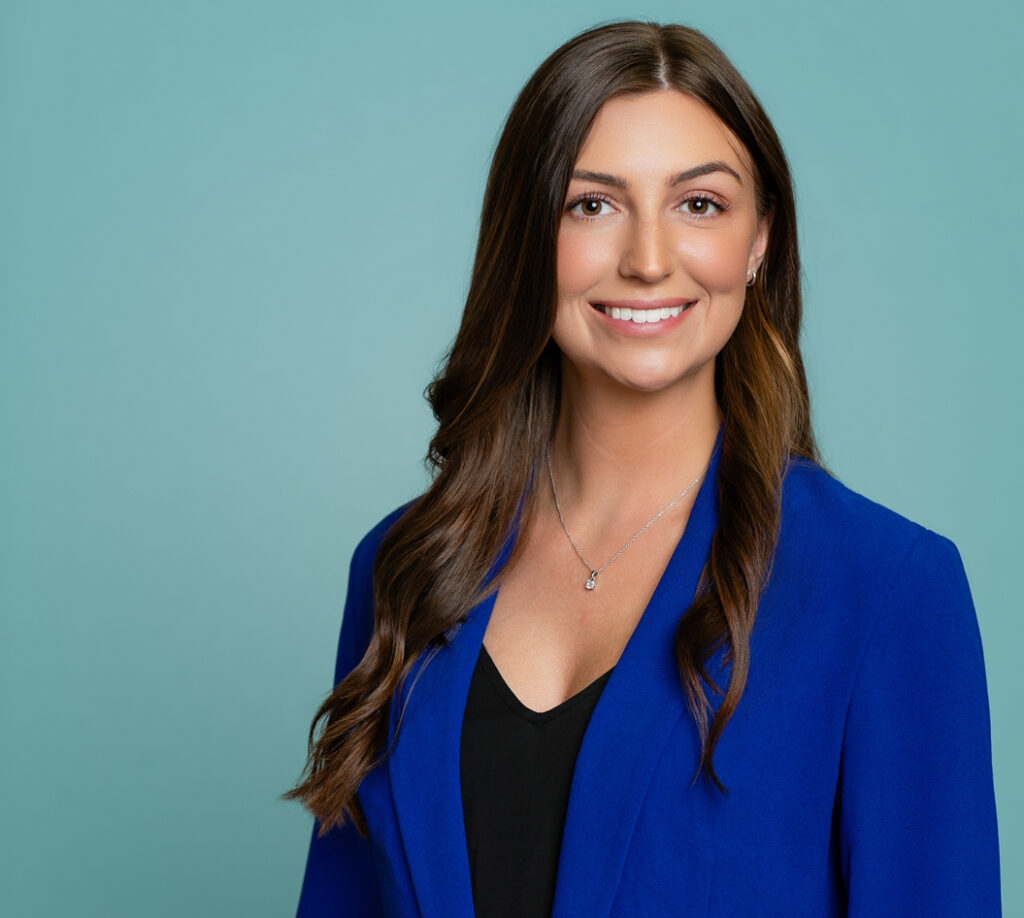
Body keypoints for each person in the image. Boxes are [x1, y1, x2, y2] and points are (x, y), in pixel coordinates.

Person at [284, 20, 1000, 918]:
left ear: (760, 240)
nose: (649, 259)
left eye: (699, 204)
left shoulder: (888, 589)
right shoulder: (405, 567)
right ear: (525, 238)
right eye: (593, 204)